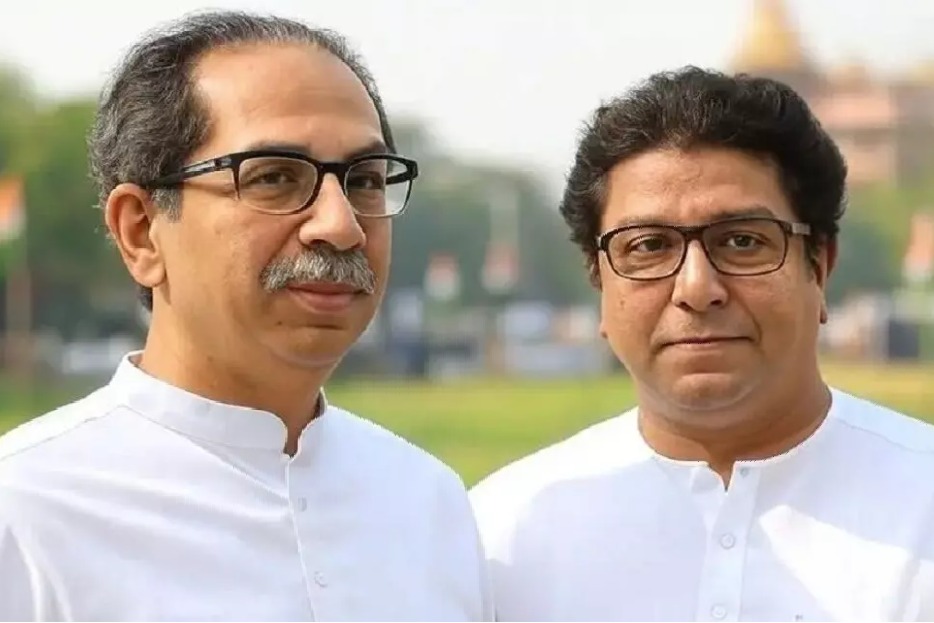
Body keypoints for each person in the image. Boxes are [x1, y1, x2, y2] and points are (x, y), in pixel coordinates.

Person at [0, 11, 491, 621]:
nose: (341, 225)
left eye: (364, 180)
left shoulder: (427, 502)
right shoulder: (27, 516)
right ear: (141, 232)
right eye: (275, 178)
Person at [469, 66, 934, 621]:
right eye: (649, 246)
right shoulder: (500, 536)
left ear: (820, 266)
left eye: (742, 241)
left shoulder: (921, 504)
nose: (696, 288)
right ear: (599, 281)